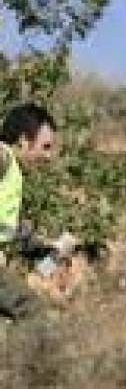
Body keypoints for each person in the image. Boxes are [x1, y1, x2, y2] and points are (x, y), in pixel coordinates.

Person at [0, 103, 60, 320]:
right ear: (24, 141)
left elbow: (7, 232)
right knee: (33, 312)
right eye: (45, 146)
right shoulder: (3, 156)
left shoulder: (12, 172)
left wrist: (50, 247)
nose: (48, 155)